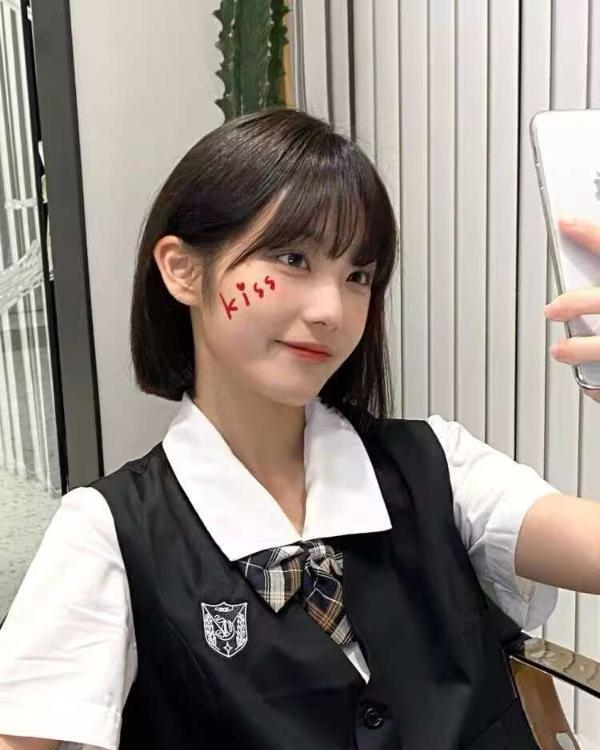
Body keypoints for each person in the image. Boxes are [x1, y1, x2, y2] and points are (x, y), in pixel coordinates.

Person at [0, 108, 599, 750]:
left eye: (358, 276)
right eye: (292, 258)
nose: (331, 310)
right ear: (182, 270)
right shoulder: (108, 534)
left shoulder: (437, 465)